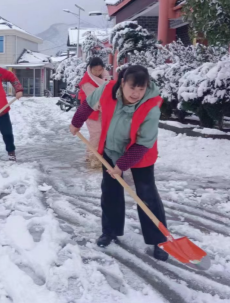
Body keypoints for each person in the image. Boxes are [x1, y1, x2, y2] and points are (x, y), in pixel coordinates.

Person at [70, 65, 170, 261]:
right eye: (132, 88)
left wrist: (122, 165)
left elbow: (143, 144)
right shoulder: (108, 89)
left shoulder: (151, 105)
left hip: (140, 152)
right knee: (110, 190)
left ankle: (159, 240)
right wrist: (76, 122)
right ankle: (110, 231)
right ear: (122, 83)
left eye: (141, 89)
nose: (136, 94)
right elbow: (88, 105)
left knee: (146, 193)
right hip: (111, 147)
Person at [78, 57, 111, 168]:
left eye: (100, 70)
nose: (97, 72)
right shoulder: (86, 82)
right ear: (90, 68)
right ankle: (93, 158)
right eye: (95, 70)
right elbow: (95, 101)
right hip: (91, 111)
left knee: (103, 133)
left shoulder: (105, 77)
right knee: (96, 133)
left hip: (104, 110)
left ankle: (91, 155)